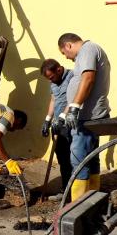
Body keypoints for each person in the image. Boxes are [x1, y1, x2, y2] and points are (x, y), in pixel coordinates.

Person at [58, 33, 111, 201]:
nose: (66, 57)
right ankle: (92, 200)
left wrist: (74, 108)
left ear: (68, 45)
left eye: (64, 53)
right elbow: (77, 88)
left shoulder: (88, 49)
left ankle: (77, 206)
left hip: (87, 117)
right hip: (87, 115)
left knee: (78, 160)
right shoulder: (85, 54)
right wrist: (63, 114)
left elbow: (87, 79)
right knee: (91, 159)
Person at [40, 59, 73, 198]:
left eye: (52, 77)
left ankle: (73, 192)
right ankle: (65, 190)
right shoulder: (53, 82)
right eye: (48, 79)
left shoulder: (72, 77)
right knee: (62, 159)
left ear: (59, 70)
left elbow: (73, 100)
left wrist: (62, 117)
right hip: (57, 126)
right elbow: (54, 100)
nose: (51, 81)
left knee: (71, 159)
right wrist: (48, 119)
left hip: (69, 124)